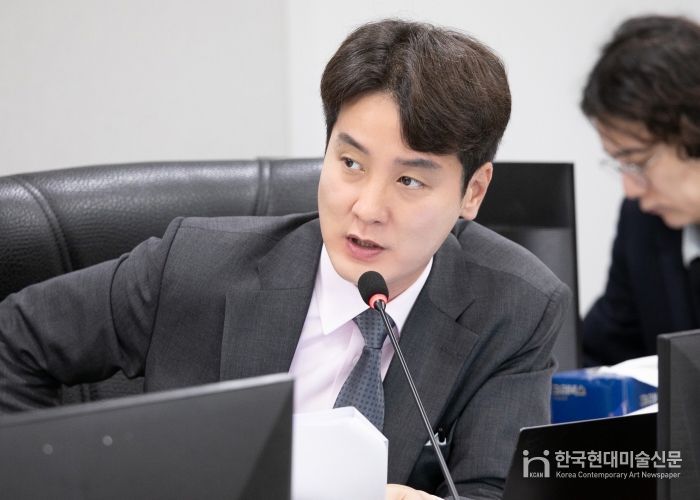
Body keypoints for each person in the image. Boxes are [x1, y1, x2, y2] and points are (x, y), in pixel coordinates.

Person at [0, 20, 570, 499]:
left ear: (473, 192)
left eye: (410, 181)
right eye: (350, 164)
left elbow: (493, 489)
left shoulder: (515, 306)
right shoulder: (193, 265)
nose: (367, 208)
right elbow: (13, 341)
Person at [580, 15, 700, 367]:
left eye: (637, 162)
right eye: (621, 165)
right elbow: (600, 354)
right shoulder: (642, 224)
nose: (630, 190)